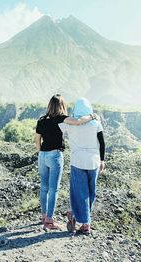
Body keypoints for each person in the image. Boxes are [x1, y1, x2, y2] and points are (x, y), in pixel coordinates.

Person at [35, 94, 95, 230]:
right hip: (55, 155)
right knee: (53, 189)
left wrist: (41, 152)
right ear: (62, 106)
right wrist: (91, 117)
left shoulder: (41, 120)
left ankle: (44, 216)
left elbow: (37, 139)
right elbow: (79, 121)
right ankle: (49, 221)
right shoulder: (61, 119)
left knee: (44, 188)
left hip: (42, 156)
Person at [59, 97, 105, 235]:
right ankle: (84, 221)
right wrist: (102, 160)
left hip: (78, 162)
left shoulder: (70, 124)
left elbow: (57, 130)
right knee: (91, 193)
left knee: (79, 193)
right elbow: (102, 143)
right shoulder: (96, 123)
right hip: (94, 162)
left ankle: (82, 221)